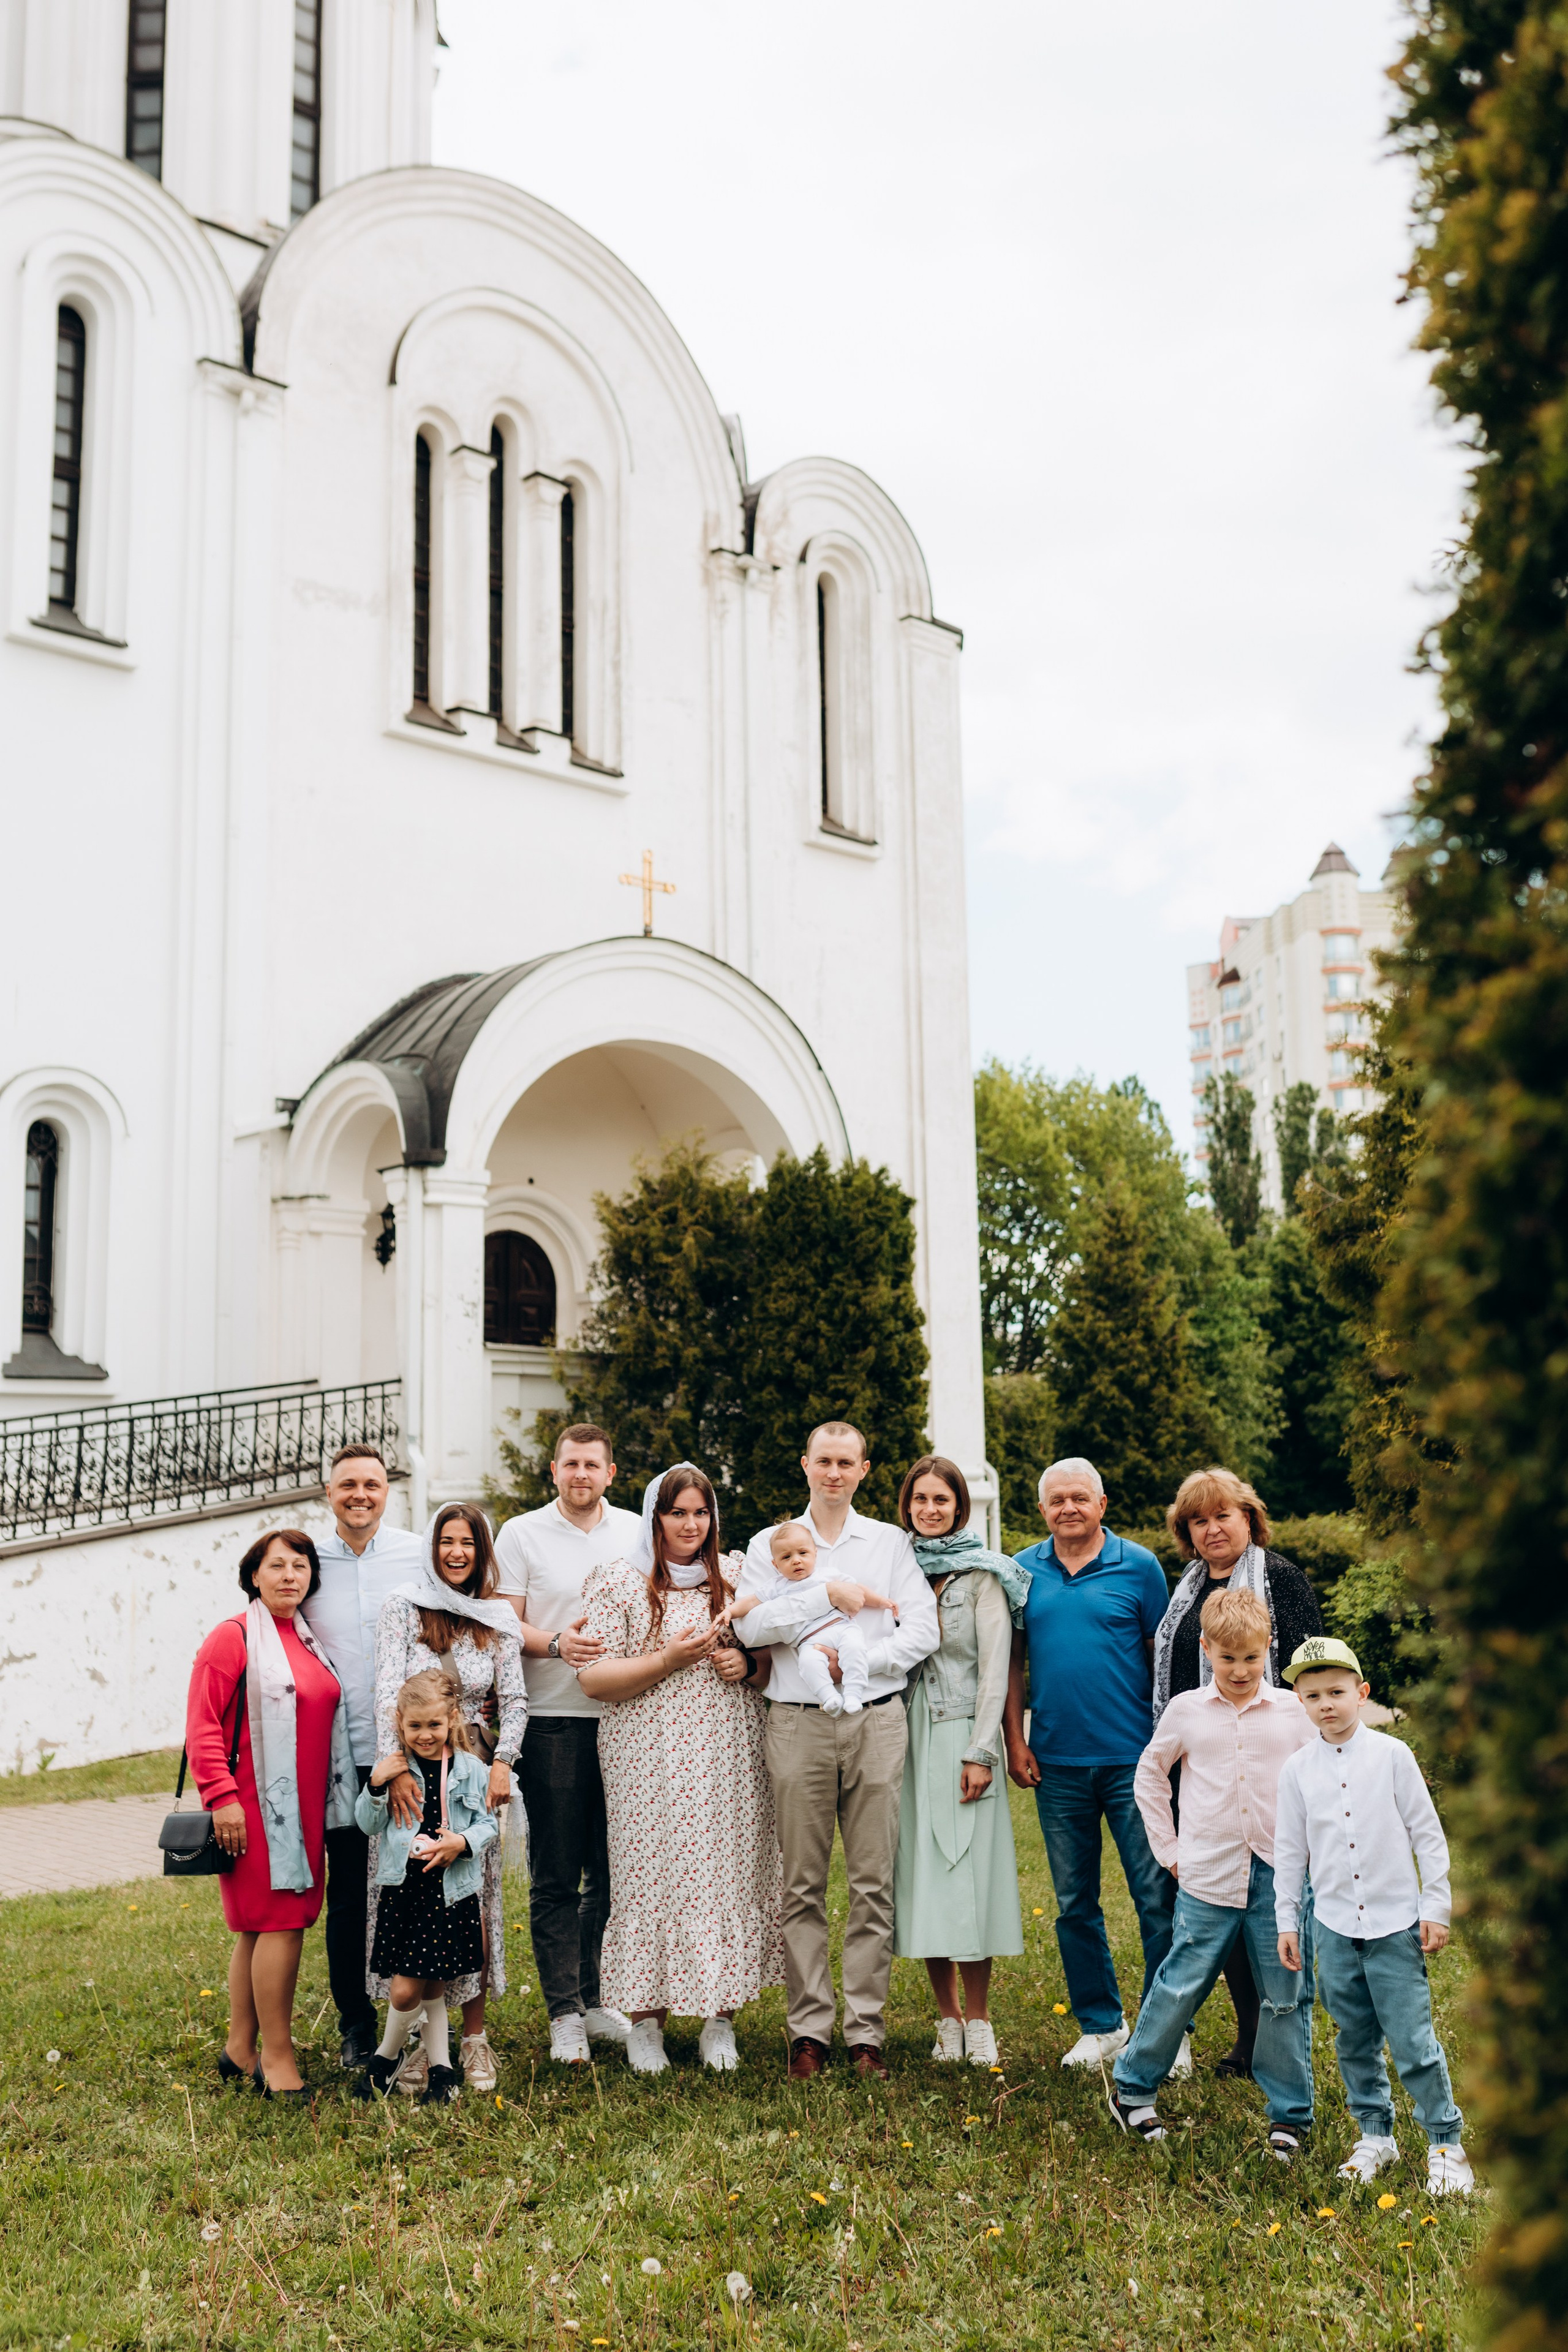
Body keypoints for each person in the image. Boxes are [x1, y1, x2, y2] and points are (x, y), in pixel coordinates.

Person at [737, 1422, 939, 2079]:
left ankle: (865, 2032)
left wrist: (859, 1663)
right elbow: (751, 1625)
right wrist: (822, 1595)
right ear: (805, 1465)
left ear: (862, 1469)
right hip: (796, 1722)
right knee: (801, 1882)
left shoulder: (887, 1543)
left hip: (875, 1719)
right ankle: (808, 2031)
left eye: (844, 1462)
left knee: (872, 1882)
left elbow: (923, 1629)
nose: (832, 1472)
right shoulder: (771, 1545)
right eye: (822, 1461)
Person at [576, 1464, 782, 2075]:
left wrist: (749, 1666)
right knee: (650, 1876)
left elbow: (774, 1656)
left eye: (701, 1512)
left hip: (730, 1755)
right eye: (677, 1513)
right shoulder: (618, 1582)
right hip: (648, 1759)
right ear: (655, 1519)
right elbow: (593, 1680)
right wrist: (668, 1658)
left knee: (729, 1874)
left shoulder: (738, 1577)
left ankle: (720, 2019)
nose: (691, 1525)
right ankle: (645, 2024)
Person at [1108, 1586, 1317, 2156]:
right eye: (1228, 1659)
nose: (1241, 1670)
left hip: (1279, 1879)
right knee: (1181, 1983)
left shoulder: (1295, 1714)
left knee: (1285, 1994)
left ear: (1268, 1648)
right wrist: (1169, 1851)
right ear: (1206, 1651)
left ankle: (1291, 2115)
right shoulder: (1186, 1712)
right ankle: (1131, 2089)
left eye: (1251, 1658)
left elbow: (1319, 1782)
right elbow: (1150, 1775)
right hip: (1207, 1874)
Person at [1274, 1635, 1472, 2196]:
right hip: (1333, 1928)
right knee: (1353, 2038)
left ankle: (1445, 2143)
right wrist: (1288, 1922)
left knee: (1412, 2039)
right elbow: (1290, 1852)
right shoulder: (1297, 1771)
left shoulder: (1392, 1756)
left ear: (1361, 1693)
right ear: (1301, 1703)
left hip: (1395, 1926)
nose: (1326, 1705)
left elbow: (1427, 1835)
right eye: (1313, 1696)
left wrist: (1435, 1906)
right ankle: (1375, 2134)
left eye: (1337, 1692)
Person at [1150, 1466, 1325, 2079]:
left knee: (1267, 1902)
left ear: (1248, 1518)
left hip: (1269, 1763)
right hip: (1201, 1769)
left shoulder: (1280, 1580)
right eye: (1198, 1520)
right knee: (1217, 1898)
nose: (1211, 1528)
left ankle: (1270, 2041)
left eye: (1222, 1514)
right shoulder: (1186, 1593)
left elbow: (1310, 1673)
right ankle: (1249, 2031)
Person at [1003, 1457, 1178, 2070]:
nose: (1068, 1508)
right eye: (1056, 1500)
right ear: (1043, 1509)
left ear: (1101, 1505)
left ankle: (1166, 2032)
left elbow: (1164, 1660)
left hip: (1134, 1761)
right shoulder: (1021, 1570)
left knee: (1155, 1898)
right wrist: (1013, 1740)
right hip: (1056, 1762)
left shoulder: (1140, 1567)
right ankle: (1101, 2024)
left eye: (1080, 1497)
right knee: (1074, 1901)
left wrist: (1168, 1748)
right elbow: (1011, 1661)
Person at [187, 1528, 355, 2098]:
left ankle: (239, 2048)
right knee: (280, 1924)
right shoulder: (232, 1638)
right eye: (278, 1565)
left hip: (307, 1807)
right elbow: (202, 1727)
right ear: (253, 1575)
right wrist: (222, 1799)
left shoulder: (306, 1638)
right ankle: (276, 2061)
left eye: (301, 1566)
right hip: (253, 1809)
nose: (290, 1575)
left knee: (261, 1928)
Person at [493, 1423, 643, 2065]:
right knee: (556, 1875)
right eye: (571, 1464)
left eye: (593, 1465)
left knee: (612, 1872)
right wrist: (556, 1643)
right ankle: (563, 2016)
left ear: (612, 1473)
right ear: (553, 1471)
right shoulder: (522, 1533)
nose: (581, 1474)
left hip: (631, 1720)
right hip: (554, 1718)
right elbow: (503, 1621)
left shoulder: (638, 1531)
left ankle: (595, 1997)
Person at [371, 1503, 526, 2093]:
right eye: (446, 1542)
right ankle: (415, 2046)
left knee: (472, 1908)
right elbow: (387, 1687)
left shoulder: (496, 1618)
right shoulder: (403, 1608)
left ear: (483, 1552)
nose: (456, 1552)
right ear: (431, 1548)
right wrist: (396, 1772)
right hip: (410, 1780)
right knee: (413, 1907)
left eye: (468, 1543)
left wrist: (504, 1763)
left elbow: (513, 1700)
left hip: (472, 1779)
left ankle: (474, 2041)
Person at [892, 1455, 1028, 2068]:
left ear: (958, 1507)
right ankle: (945, 2019)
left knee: (968, 1877)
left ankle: (979, 2020)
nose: (929, 1510)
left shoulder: (983, 1575)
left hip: (963, 1735)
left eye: (940, 1500)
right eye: (919, 1500)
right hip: (903, 1736)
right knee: (924, 1877)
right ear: (907, 1506)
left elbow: (994, 1669)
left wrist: (982, 1750)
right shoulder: (895, 1571)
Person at [298, 1444, 426, 2071]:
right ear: (329, 1493)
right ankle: (355, 2021)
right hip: (333, 1758)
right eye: (347, 1484)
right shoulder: (305, 1563)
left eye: (371, 1484)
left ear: (387, 1491)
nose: (360, 1495)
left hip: (405, 1757)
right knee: (349, 1896)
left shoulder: (416, 1556)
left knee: (411, 1889)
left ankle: (423, 2022)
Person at [353, 1668, 500, 2106]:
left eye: (434, 1725)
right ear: (400, 1722)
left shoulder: (471, 1770)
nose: (425, 1735)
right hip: (405, 1895)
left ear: (452, 1718)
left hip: (449, 1894)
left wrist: (463, 1842)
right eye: (415, 1726)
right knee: (406, 1990)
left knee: (432, 1986)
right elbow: (367, 1823)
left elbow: (488, 1824)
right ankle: (413, 2063)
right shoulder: (396, 1771)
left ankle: (413, 2065)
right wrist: (376, 1784)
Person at [725, 1520, 899, 1714]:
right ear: (776, 1564)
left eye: (803, 1553)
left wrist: (881, 1601)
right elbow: (750, 1602)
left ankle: (853, 1693)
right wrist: (731, 1612)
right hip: (809, 1640)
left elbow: (858, 1591)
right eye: (786, 1557)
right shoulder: (776, 1586)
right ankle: (829, 1697)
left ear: (815, 1553)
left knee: (855, 1650)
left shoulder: (827, 1575)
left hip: (842, 1628)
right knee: (808, 1664)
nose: (796, 1560)